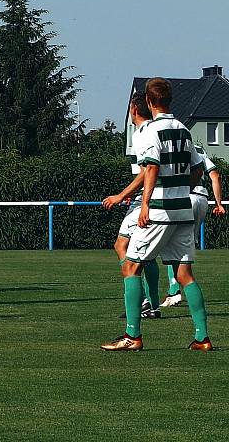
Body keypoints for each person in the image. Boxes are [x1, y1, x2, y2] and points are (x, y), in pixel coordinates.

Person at [101, 77, 211, 351]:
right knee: (185, 274)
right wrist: (181, 188)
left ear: (149, 102)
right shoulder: (184, 130)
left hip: (159, 211)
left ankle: (132, 336)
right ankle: (202, 338)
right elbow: (198, 169)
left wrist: (145, 204)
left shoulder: (149, 131)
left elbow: (150, 168)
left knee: (130, 266)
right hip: (183, 211)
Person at [101, 91, 161, 319]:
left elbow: (147, 171)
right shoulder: (156, 130)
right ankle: (152, 305)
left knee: (121, 246)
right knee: (148, 255)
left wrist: (120, 195)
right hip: (151, 197)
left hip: (146, 199)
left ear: (134, 110)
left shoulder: (142, 133)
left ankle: (142, 302)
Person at [161, 144, 225, 307]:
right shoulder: (200, 151)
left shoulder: (173, 147)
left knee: (171, 243)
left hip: (185, 197)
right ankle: (181, 288)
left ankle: (174, 291)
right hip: (202, 200)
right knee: (187, 245)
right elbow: (215, 176)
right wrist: (218, 203)